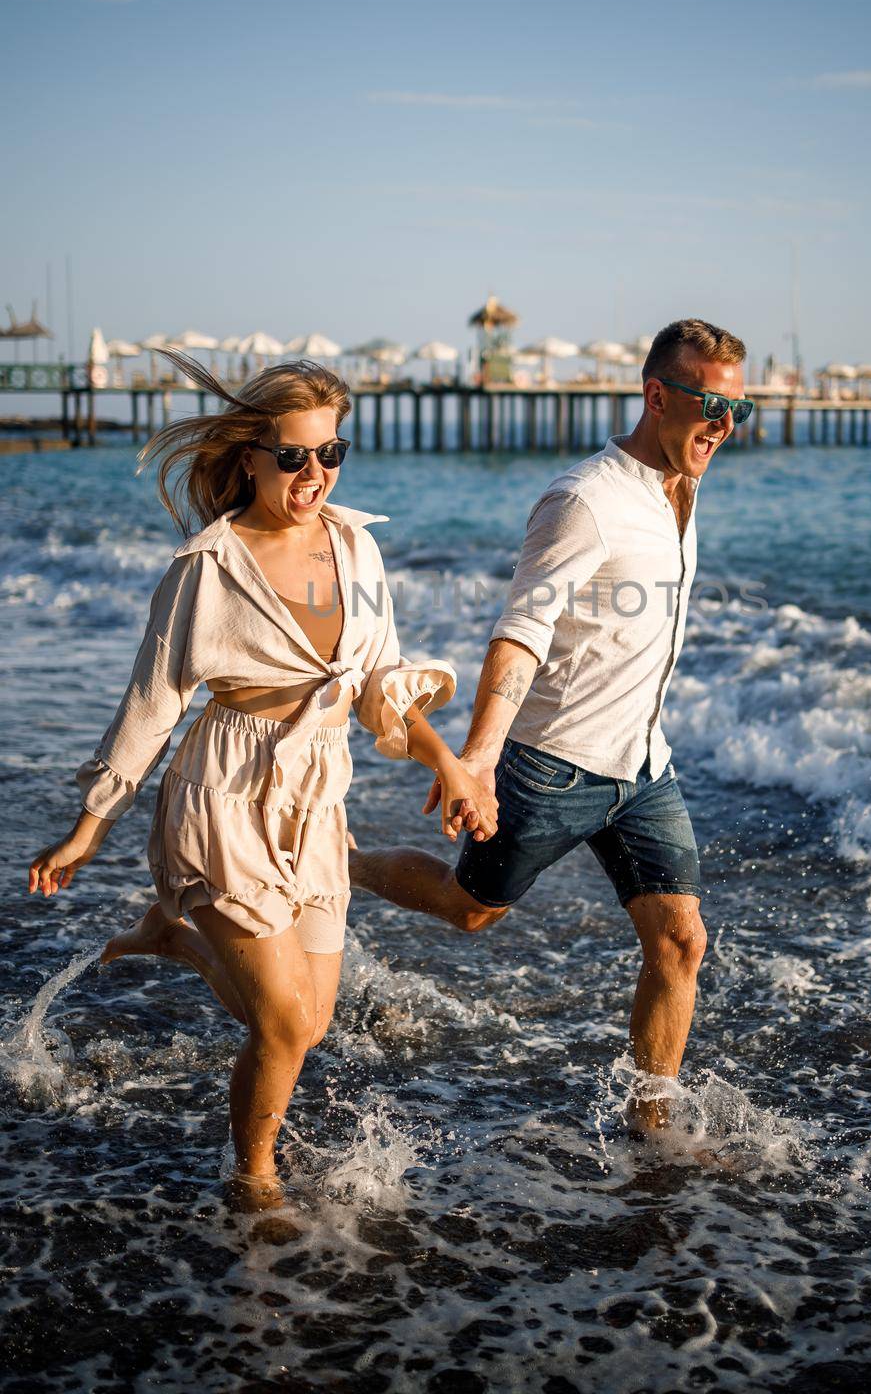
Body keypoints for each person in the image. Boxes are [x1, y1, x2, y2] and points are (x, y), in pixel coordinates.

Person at [27, 352, 495, 1206]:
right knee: (281, 1024)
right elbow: (152, 703)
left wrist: (453, 766)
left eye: (331, 453)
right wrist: (89, 828)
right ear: (249, 456)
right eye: (293, 456)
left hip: (316, 798)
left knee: (307, 1023)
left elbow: (380, 685)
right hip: (224, 796)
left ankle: (178, 939)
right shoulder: (208, 567)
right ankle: (254, 1178)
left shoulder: (356, 548)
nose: (314, 473)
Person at [349, 319, 750, 1130]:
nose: (723, 424)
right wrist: (475, 761)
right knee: (471, 910)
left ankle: (651, 1126)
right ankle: (341, 857)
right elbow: (518, 633)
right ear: (655, 396)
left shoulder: (683, 482)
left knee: (680, 941)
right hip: (553, 763)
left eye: (737, 408)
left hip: (643, 767)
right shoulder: (583, 501)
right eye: (708, 403)